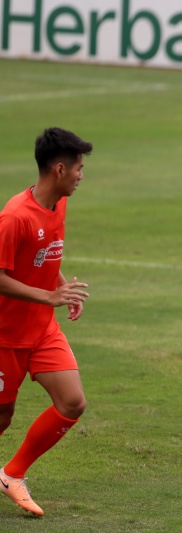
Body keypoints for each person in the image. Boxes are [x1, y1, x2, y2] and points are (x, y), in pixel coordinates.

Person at [0, 127, 93, 517]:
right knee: (2, 416)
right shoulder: (14, 217)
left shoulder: (59, 204)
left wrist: (61, 288)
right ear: (59, 169)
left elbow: (45, 254)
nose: (81, 175)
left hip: (42, 330)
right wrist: (48, 297)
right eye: (78, 168)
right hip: (5, 337)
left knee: (72, 402)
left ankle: (12, 474)